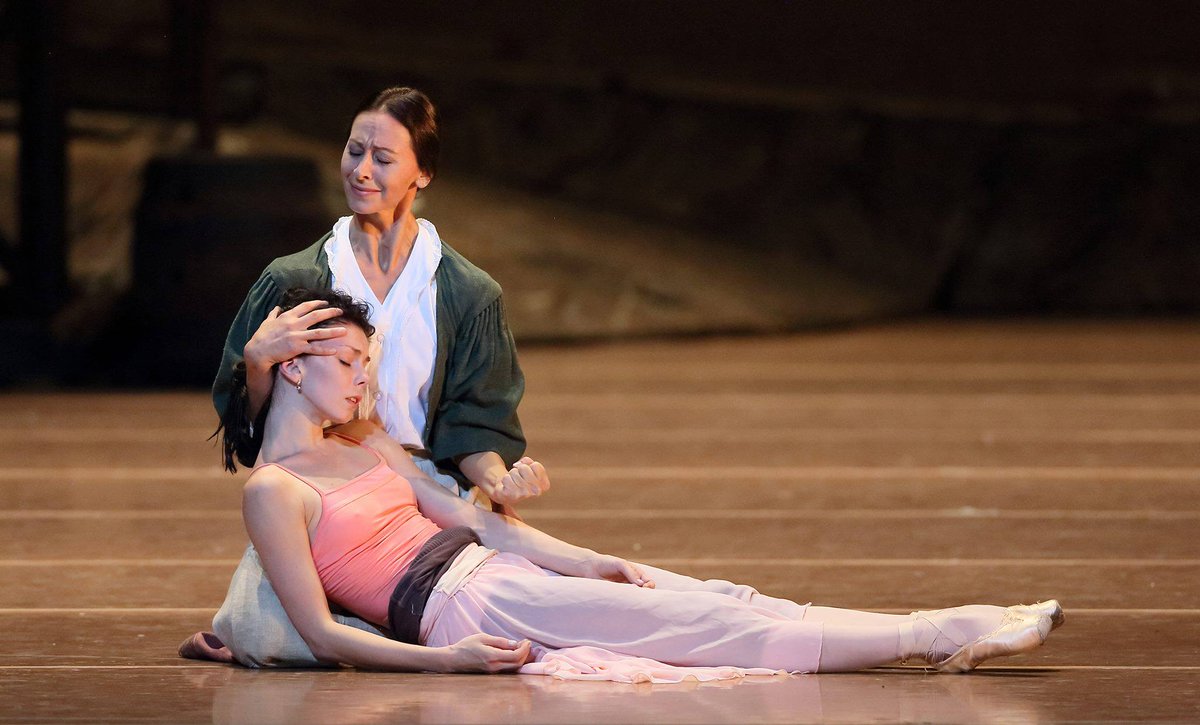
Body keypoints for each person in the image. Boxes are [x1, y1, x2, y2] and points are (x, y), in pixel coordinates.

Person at [229, 287, 1064, 682]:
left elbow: (477, 521)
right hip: (460, 608)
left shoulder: (366, 437)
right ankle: (933, 631)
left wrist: (587, 558)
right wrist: (443, 660)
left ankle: (948, 625)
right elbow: (324, 633)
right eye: (348, 364)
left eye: (368, 365)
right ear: (292, 367)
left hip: (498, 572)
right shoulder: (275, 490)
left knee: (722, 595)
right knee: (705, 624)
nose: (365, 383)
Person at [196, 87, 547, 667]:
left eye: (382, 159)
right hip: (333, 498)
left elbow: (474, 423)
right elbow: (250, 429)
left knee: (516, 617)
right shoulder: (296, 278)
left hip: (430, 491)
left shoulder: (467, 292)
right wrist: (257, 363)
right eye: (353, 151)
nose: (360, 170)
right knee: (272, 637)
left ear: (423, 174)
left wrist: (500, 480)